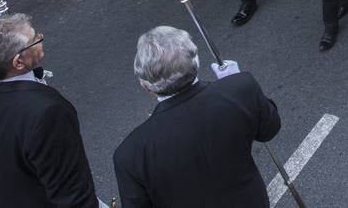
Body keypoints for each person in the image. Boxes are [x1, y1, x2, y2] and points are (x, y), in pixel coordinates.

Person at [113, 26, 282, 208]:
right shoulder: (241, 88)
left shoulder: (130, 155)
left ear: (146, 87)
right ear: (196, 63)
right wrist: (236, 83)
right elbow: (269, 130)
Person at [0, 13, 100, 207]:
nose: (39, 39)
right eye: (34, 39)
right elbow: (73, 193)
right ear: (18, 63)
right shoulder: (47, 112)